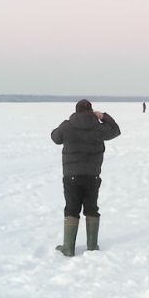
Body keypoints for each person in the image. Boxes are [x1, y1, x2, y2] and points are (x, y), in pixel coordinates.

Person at [50, 99, 121, 256]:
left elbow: (55, 138)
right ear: (91, 111)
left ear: (76, 111)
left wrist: (64, 124)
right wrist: (103, 116)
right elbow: (115, 131)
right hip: (92, 175)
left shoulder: (68, 126)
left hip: (71, 175)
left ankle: (68, 248)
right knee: (91, 208)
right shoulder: (98, 127)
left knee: (71, 209)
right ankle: (92, 246)